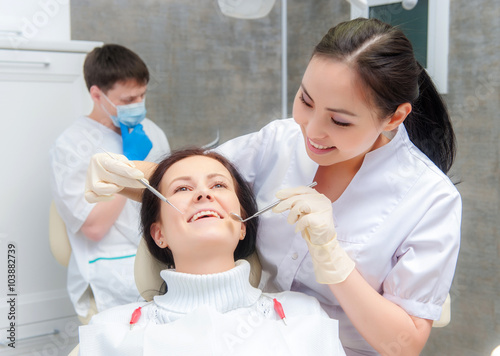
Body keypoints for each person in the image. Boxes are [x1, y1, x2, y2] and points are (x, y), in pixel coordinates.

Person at [84, 18, 461, 355]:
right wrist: (126, 176)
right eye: (305, 100)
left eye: (340, 121)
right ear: (157, 233)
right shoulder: (279, 141)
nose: (311, 132)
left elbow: (405, 344)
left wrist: (334, 261)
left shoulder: (430, 199)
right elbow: (203, 177)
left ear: (394, 117)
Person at [78, 148, 345, 355]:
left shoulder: (302, 317)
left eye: (218, 185)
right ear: (159, 234)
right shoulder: (111, 332)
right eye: (182, 188)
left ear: (242, 225)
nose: (204, 194)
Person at [49, 44, 170, 323]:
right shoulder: (70, 147)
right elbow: (93, 227)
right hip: (110, 263)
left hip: (158, 249)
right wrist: (126, 165)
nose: (138, 105)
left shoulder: (150, 131)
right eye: (128, 99)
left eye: (142, 95)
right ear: (96, 94)